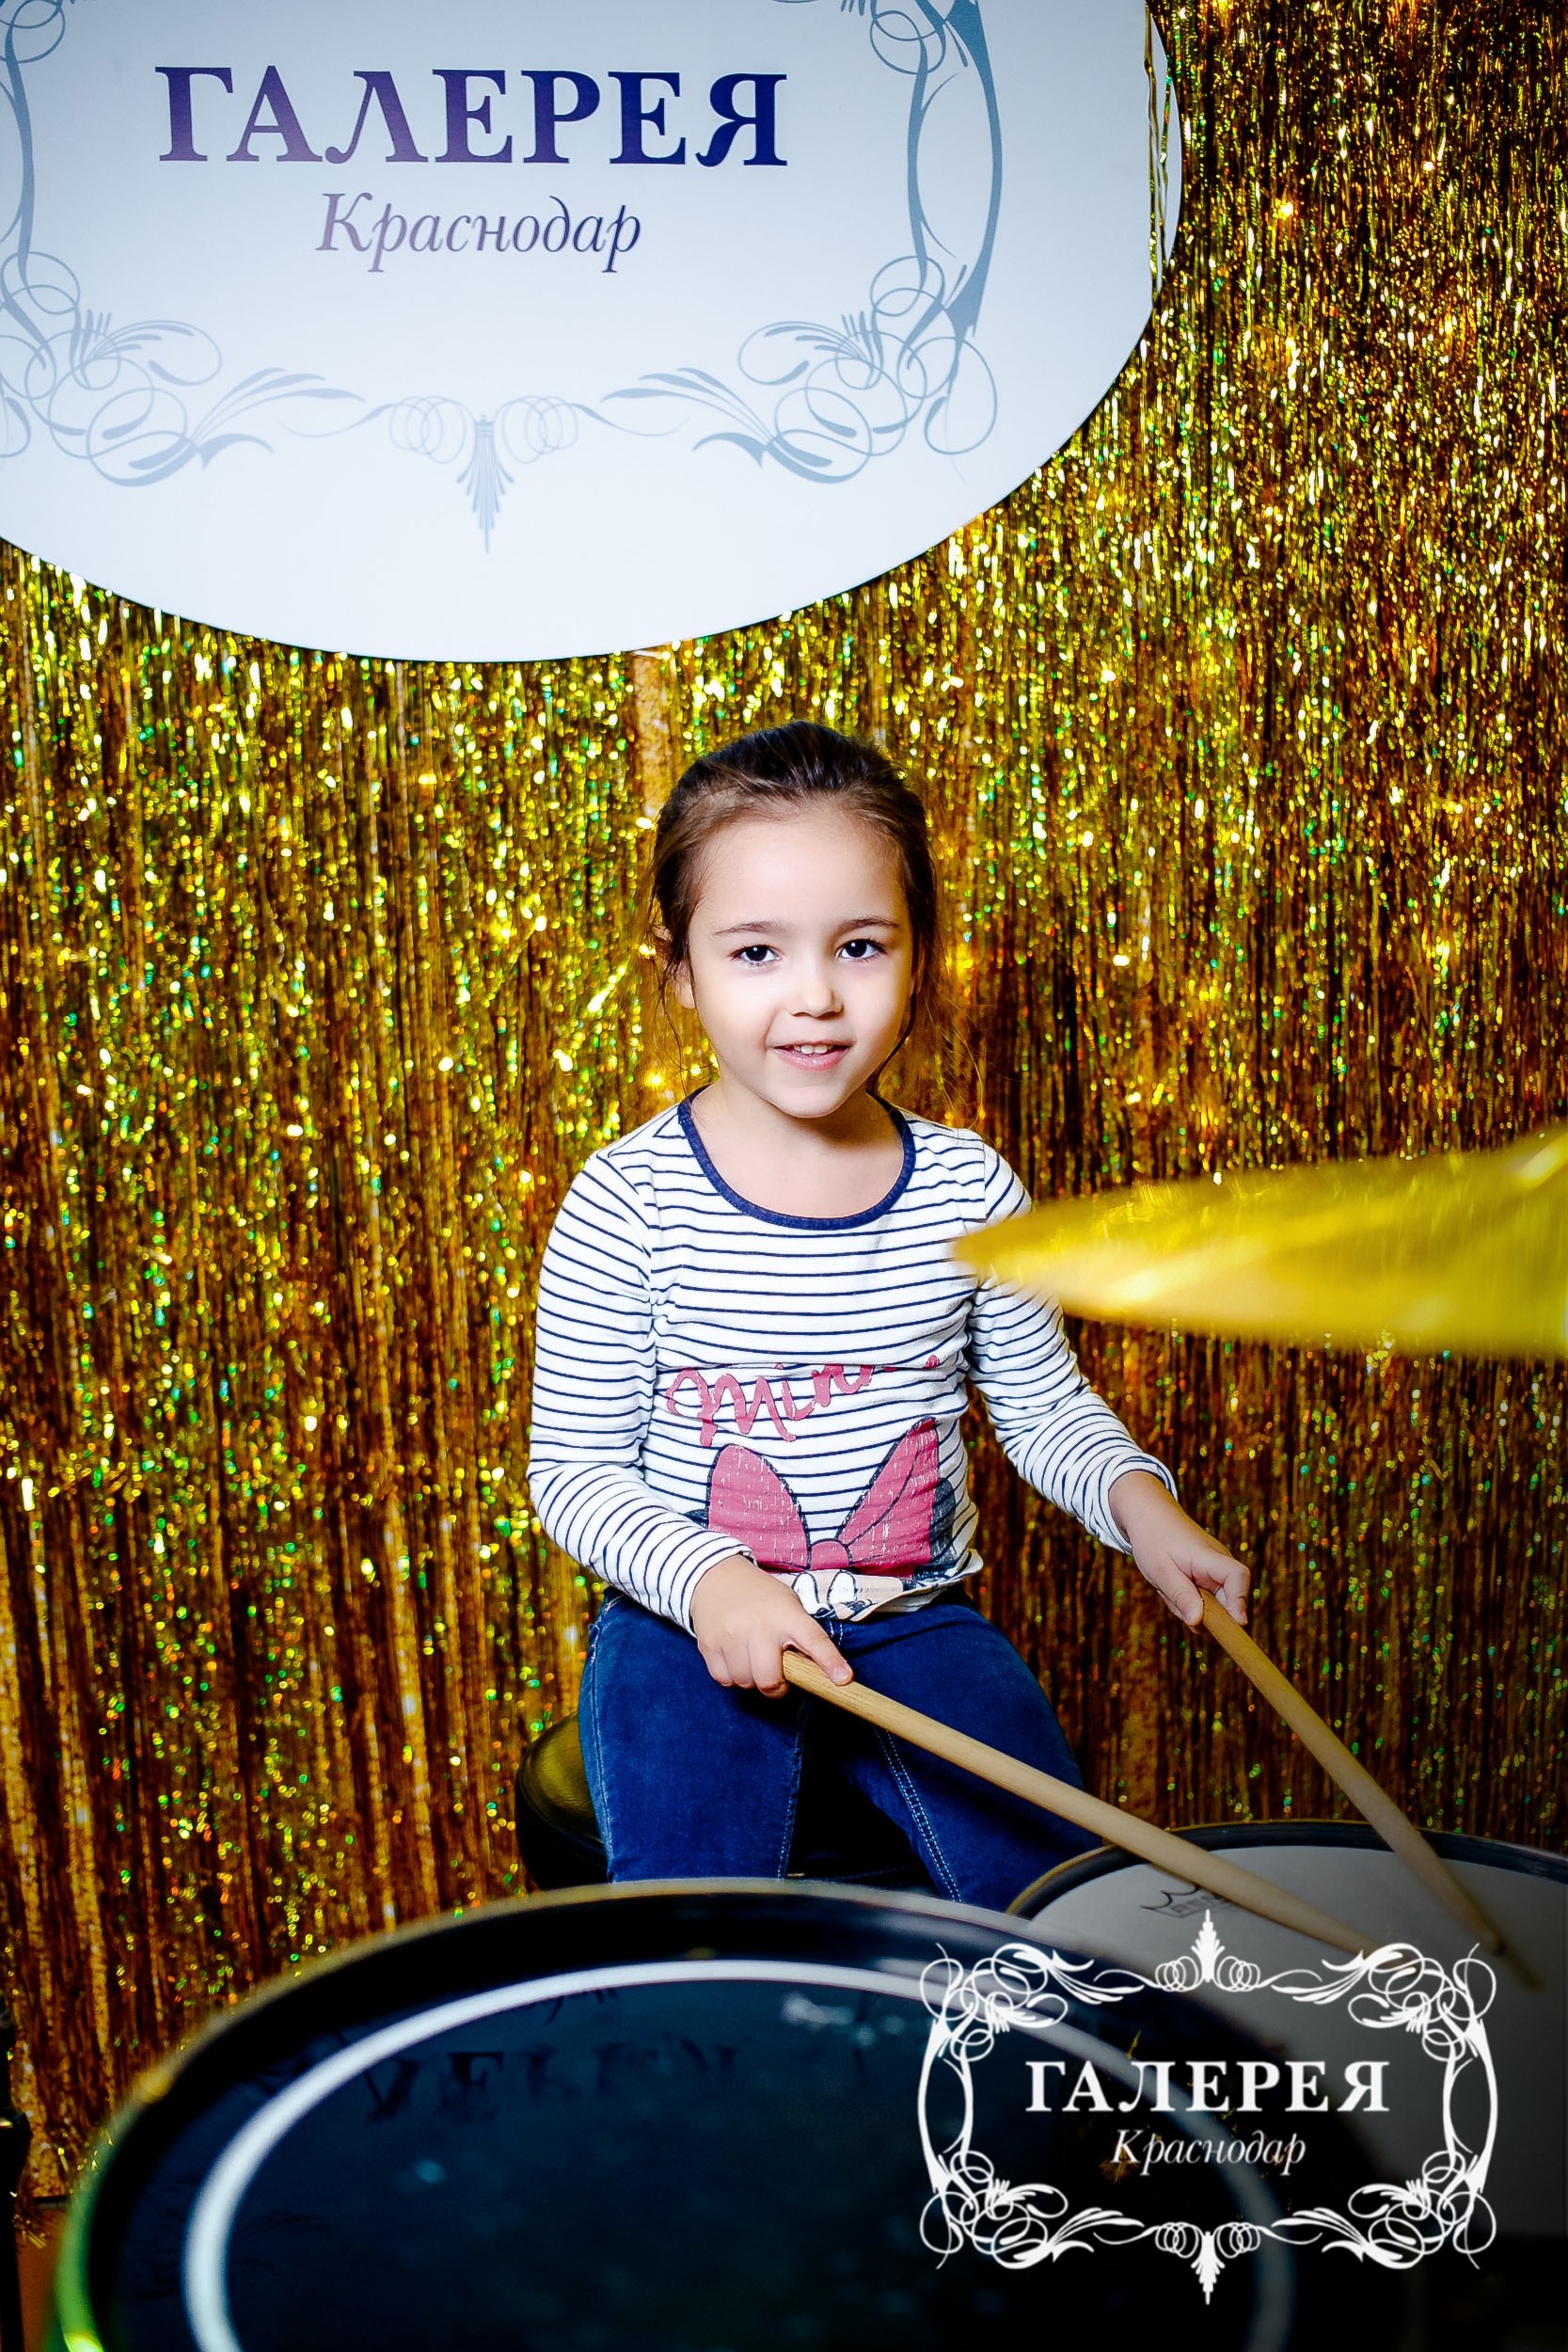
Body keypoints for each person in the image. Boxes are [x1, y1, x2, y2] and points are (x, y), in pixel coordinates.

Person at [527, 723, 1248, 1913]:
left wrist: (1143, 1510)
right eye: (755, 951)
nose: (814, 996)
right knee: (695, 1928)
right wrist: (710, 1581)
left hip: (913, 1619)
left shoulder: (967, 1188)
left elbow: (1043, 1410)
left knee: (1066, 1906)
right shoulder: (625, 1202)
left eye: (858, 946)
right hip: (684, 1629)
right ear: (680, 969)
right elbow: (574, 1471)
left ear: (917, 955)